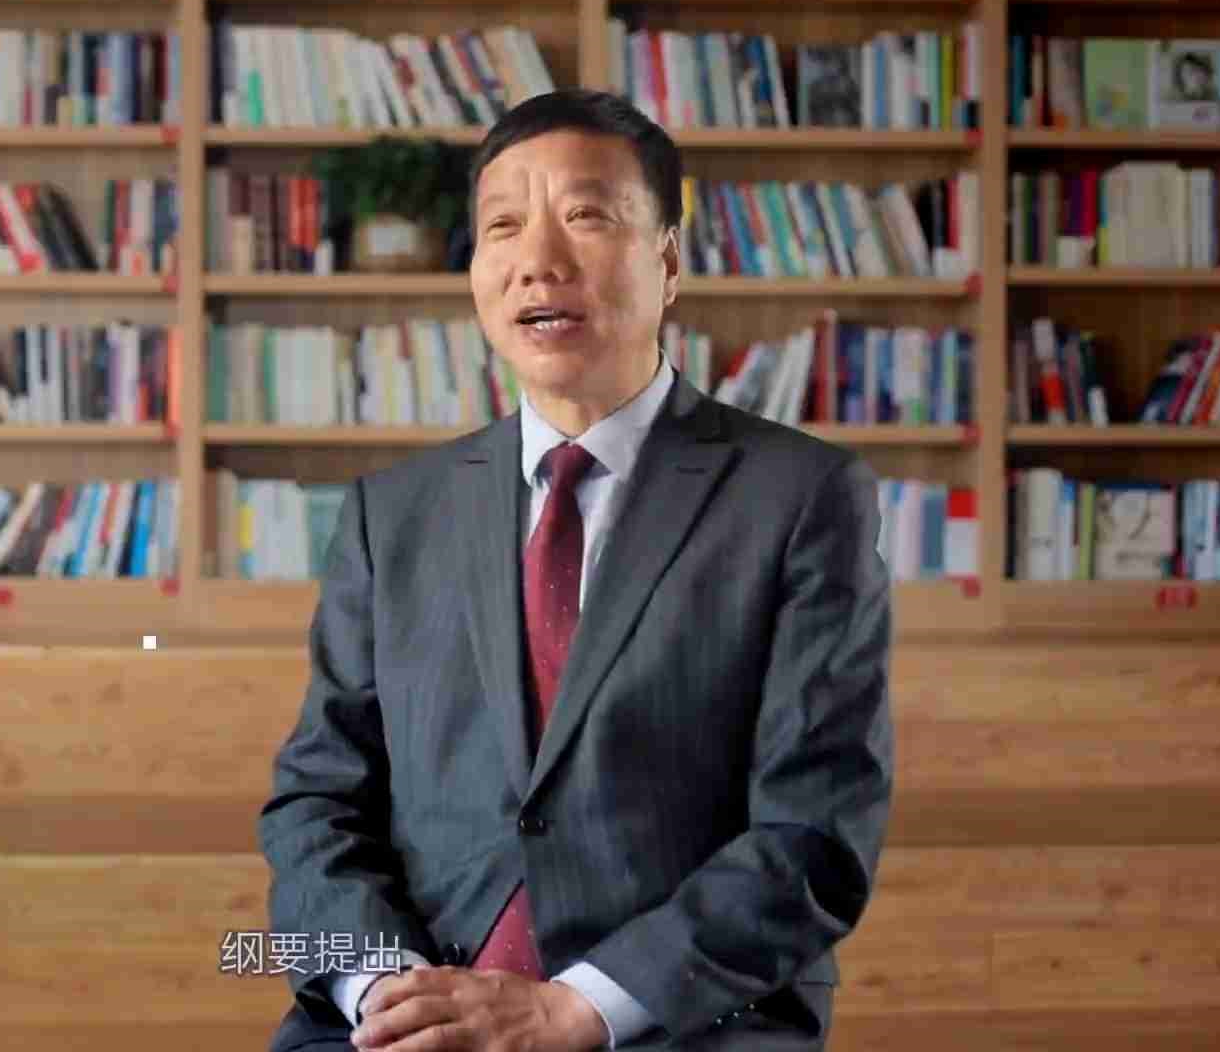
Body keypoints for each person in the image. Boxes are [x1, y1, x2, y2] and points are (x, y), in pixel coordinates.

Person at [257, 88, 895, 1052]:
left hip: (677, 1020)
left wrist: (577, 1008)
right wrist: (390, 993)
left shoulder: (800, 497)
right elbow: (317, 800)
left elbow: (814, 833)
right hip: (405, 1013)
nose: (538, 261)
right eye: (502, 226)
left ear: (668, 263)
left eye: (586, 215)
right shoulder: (394, 514)